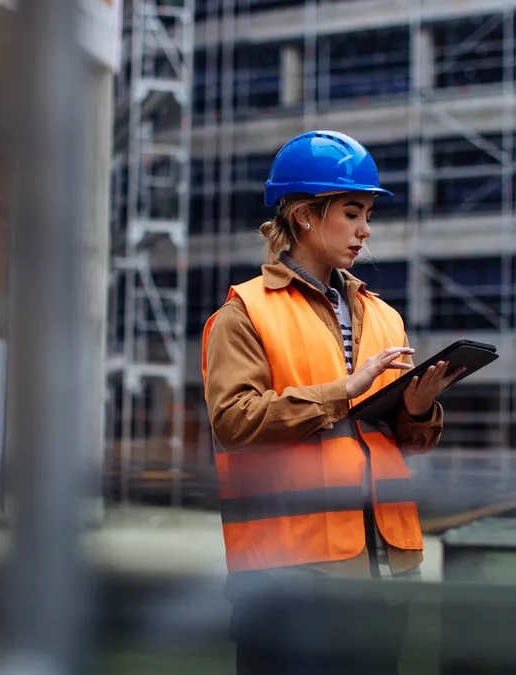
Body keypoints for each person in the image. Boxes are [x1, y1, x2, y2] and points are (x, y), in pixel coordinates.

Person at [200, 130, 463, 675]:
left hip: (381, 572)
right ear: (304, 216)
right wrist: (341, 391)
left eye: (367, 213)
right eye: (351, 212)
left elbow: (396, 443)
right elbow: (232, 421)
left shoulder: (384, 316)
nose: (365, 230)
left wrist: (417, 408)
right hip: (286, 577)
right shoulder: (246, 313)